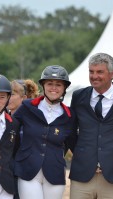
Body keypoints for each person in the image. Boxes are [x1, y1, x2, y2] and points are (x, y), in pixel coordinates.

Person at [69, 52, 113, 199]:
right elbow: (70, 131)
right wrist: (82, 151)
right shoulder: (78, 96)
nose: (94, 76)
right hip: (82, 174)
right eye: (91, 71)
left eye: (100, 72)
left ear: (112, 73)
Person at [13, 65, 75, 199]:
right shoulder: (27, 107)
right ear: (43, 85)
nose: (54, 88)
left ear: (64, 88)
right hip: (27, 171)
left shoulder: (70, 116)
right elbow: (9, 129)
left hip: (55, 172)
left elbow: (73, 143)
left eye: (58, 84)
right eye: (50, 83)